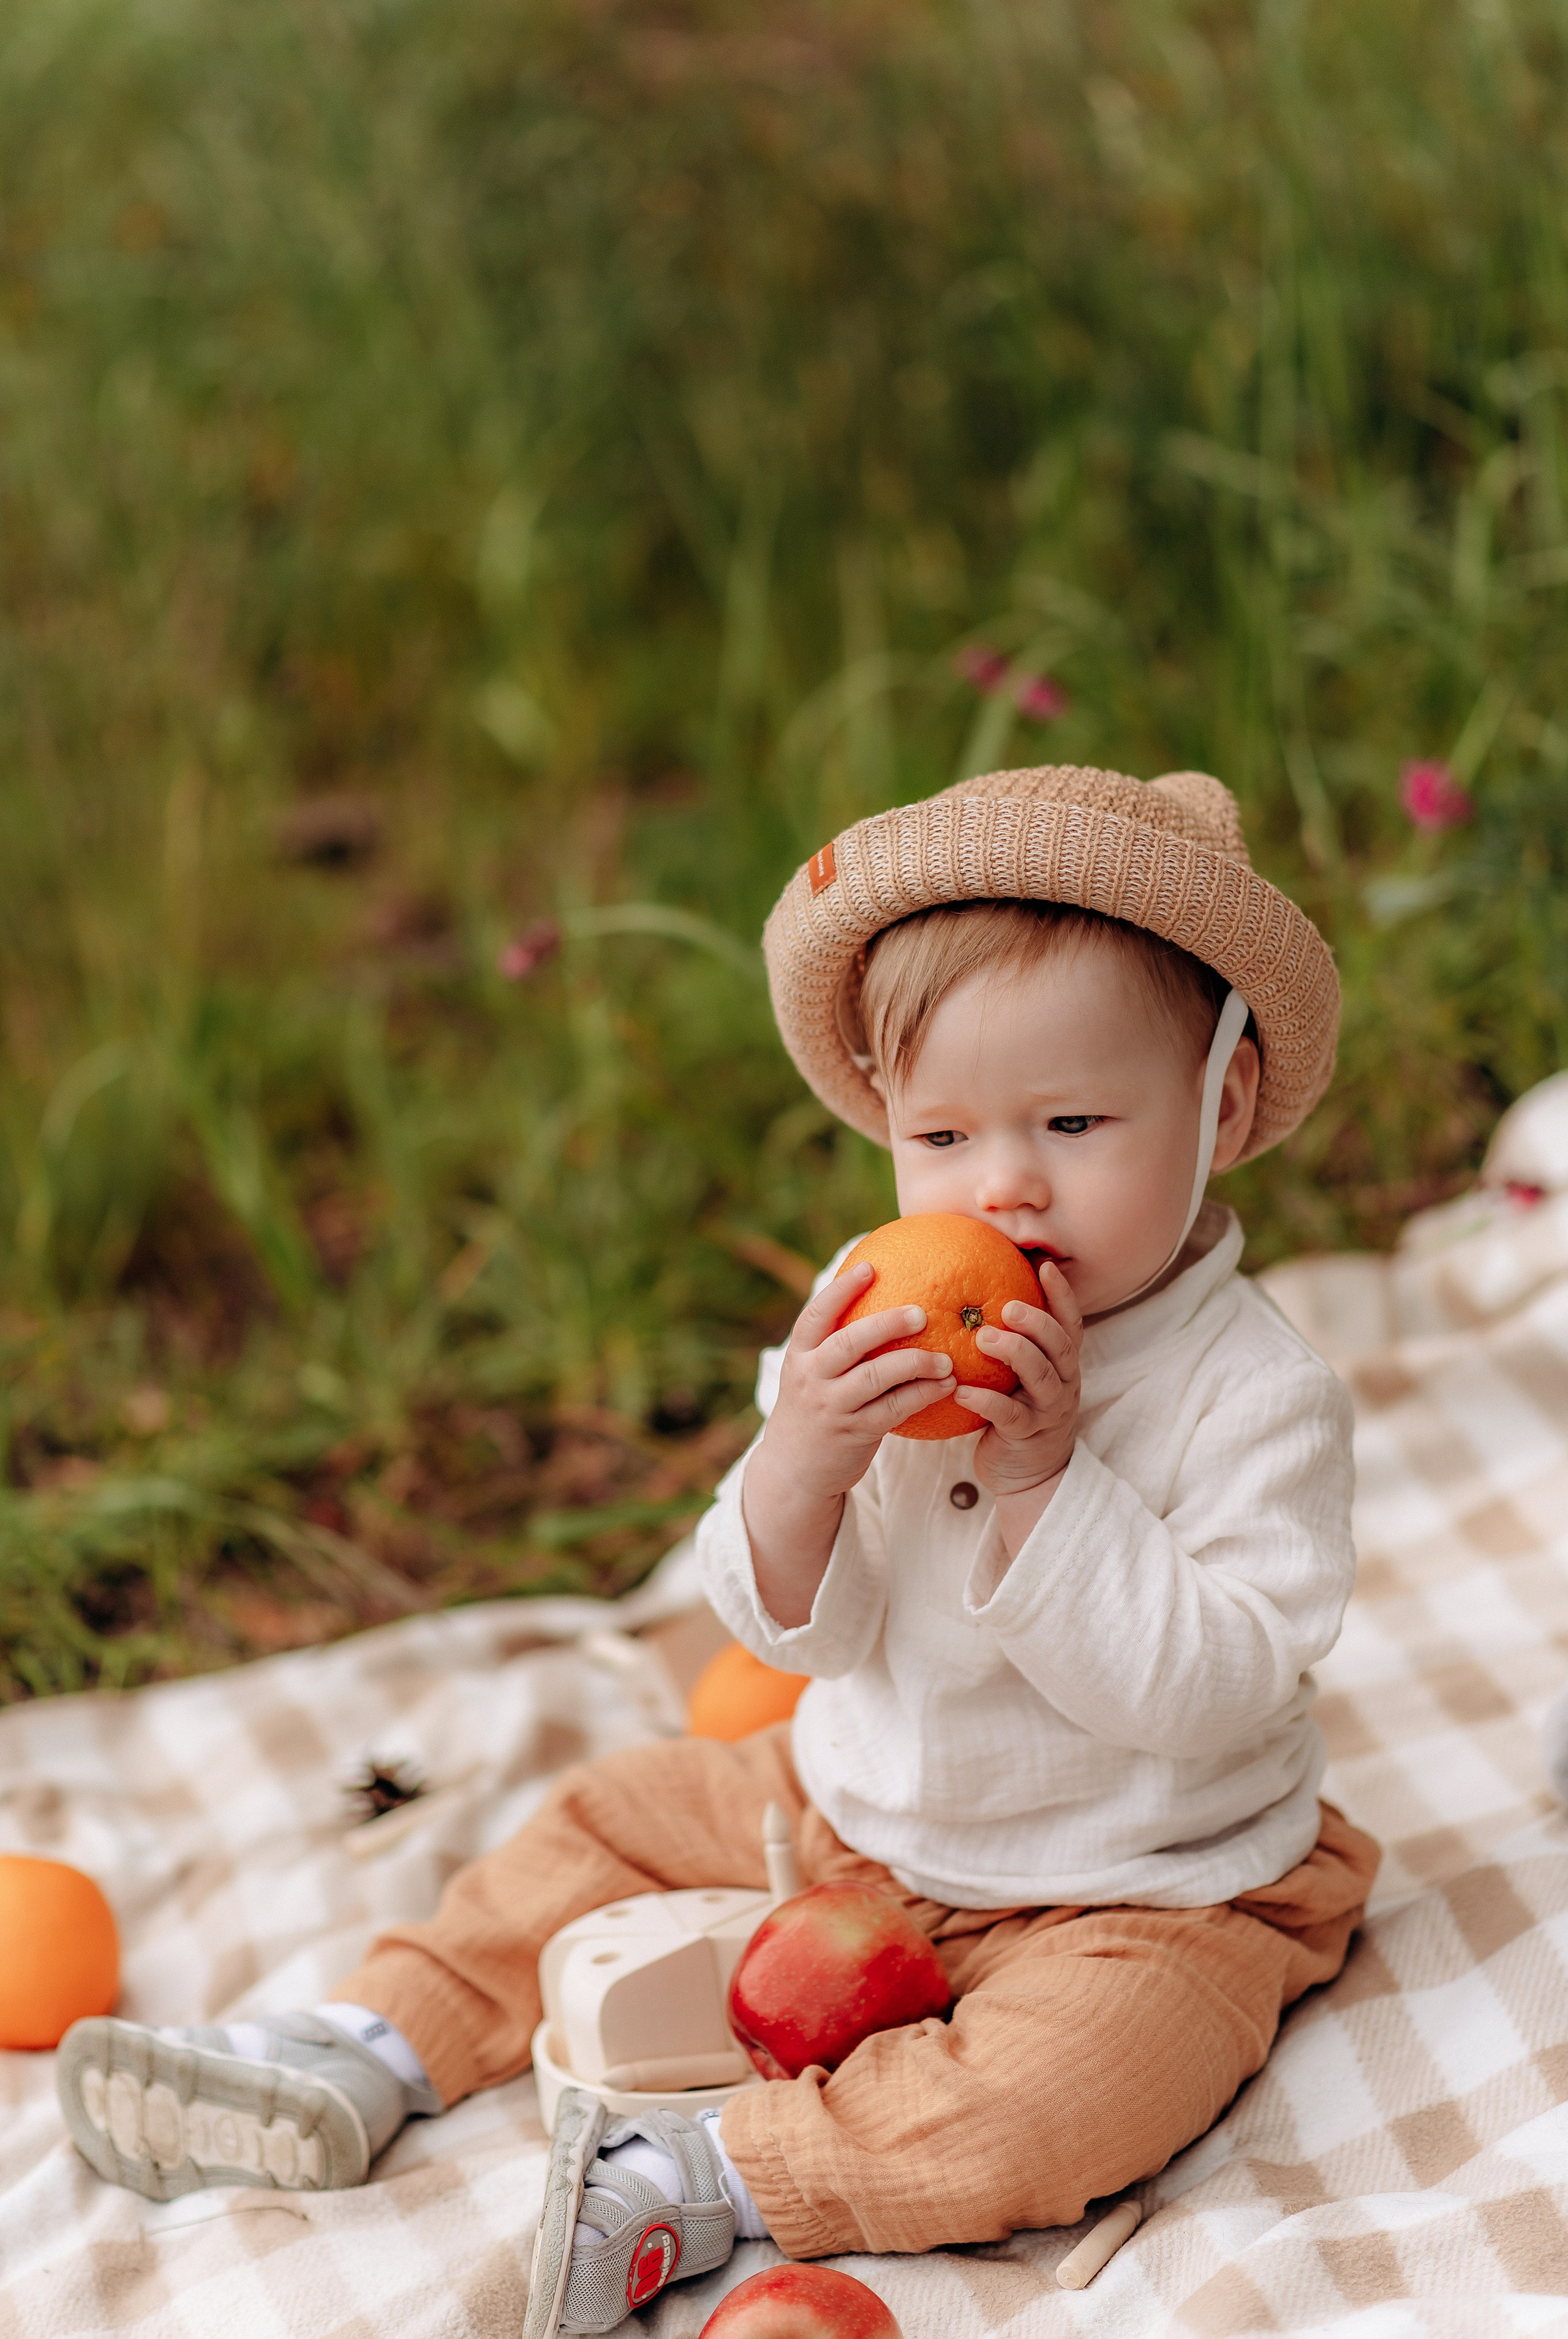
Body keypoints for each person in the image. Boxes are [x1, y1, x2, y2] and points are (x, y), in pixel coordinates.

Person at [58, 764, 1379, 2336]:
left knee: (1066, 2100)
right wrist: (806, 1454)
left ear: (1218, 1108)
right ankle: (368, 2043)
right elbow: (788, 1629)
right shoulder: (872, 1324)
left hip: (1154, 1883)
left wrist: (1047, 1482)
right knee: (607, 1818)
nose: (1001, 1187)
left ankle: (710, 2175)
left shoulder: (1256, 1398)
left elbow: (1208, 1694)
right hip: (858, 1817)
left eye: (1074, 1123)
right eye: (942, 1133)